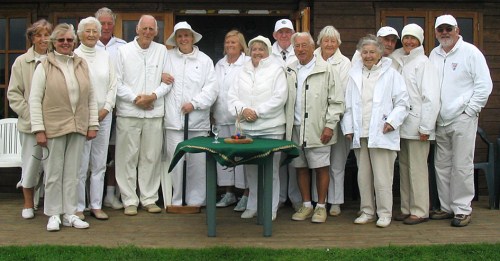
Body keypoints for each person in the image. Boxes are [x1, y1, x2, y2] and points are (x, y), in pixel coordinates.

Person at [30, 23, 99, 231]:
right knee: (53, 173)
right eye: (61, 40)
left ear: (74, 42)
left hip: (78, 125)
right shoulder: (44, 66)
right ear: (54, 43)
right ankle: (53, 214)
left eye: (69, 40)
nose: (66, 43)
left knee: (73, 172)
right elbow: (34, 100)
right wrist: (39, 130)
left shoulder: (82, 64)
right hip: (53, 126)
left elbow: (91, 97)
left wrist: (92, 123)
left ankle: (70, 213)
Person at [429, 14, 492, 227]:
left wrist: (471, 110)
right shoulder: (434, 54)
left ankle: (463, 209)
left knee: (462, 165)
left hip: (462, 118)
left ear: (457, 30)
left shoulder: (471, 52)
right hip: (441, 119)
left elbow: (484, 85)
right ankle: (447, 207)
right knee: (442, 165)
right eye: (441, 29)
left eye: (449, 28)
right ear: (436, 32)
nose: (445, 33)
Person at [342, 34, 409, 228]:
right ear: (360, 53)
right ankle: (367, 211)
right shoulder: (354, 74)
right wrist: (348, 127)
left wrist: (392, 122)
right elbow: (348, 105)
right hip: (360, 133)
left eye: (372, 52)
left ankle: (384, 213)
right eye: (365, 52)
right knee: (363, 177)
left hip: (382, 132)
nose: (368, 55)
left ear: (380, 53)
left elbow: (403, 103)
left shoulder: (392, 74)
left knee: (382, 178)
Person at [285, 32, 344, 223]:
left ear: (313, 47)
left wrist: (329, 126)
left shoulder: (326, 69)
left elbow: (336, 101)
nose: (300, 50)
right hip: (295, 127)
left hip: (318, 128)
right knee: (300, 167)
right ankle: (306, 205)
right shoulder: (289, 69)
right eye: (297, 46)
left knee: (321, 167)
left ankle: (321, 206)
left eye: (304, 45)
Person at [227, 35, 287, 221]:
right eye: (254, 49)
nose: (257, 52)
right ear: (249, 51)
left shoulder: (277, 70)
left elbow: (280, 97)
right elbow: (232, 96)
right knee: (251, 170)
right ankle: (252, 206)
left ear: (268, 52)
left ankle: (270, 208)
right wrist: (243, 110)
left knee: (272, 171)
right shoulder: (242, 71)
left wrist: (257, 112)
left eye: (261, 49)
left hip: (271, 127)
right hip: (248, 129)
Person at [115, 15, 169, 216]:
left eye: (151, 29)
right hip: (129, 112)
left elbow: (168, 80)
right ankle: (129, 200)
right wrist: (137, 99)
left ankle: (149, 199)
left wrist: (153, 96)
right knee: (127, 158)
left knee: (151, 157)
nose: (147, 32)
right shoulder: (123, 51)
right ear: (137, 29)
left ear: (156, 31)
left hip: (154, 113)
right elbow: (117, 83)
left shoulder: (162, 51)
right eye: (144, 28)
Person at [164, 21, 218, 207]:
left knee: (197, 164)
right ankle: (178, 200)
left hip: (197, 122)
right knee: (176, 164)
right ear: (176, 39)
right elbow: (156, 77)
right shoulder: (167, 57)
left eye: (186, 35)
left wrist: (194, 104)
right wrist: (160, 76)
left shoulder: (205, 60)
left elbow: (212, 89)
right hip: (173, 121)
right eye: (180, 36)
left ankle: (196, 201)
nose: (183, 39)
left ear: (192, 37)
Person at [391, 23, 440, 225]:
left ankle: (420, 210)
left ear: (420, 40)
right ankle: (406, 207)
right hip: (403, 126)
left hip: (419, 126)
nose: (409, 41)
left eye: (413, 38)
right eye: (406, 38)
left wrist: (426, 127)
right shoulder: (404, 60)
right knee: (404, 168)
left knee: (418, 169)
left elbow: (431, 98)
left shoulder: (423, 63)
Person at [7, 19, 52, 219]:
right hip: (30, 126)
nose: (43, 39)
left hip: (54, 124)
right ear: (32, 38)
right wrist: (33, 116)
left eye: (46, 34)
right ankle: (28, 204)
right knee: (31, 166)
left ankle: (50, 206)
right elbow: (14, 95)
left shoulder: (56, 59)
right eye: (39, 35)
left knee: (51, 167)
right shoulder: (21, 62)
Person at [75, 16, 117, 221]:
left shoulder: (106, 55)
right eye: (87, 31)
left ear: (100, 34)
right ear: (80, 34)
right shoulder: (74, 55)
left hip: (103, 115)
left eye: (95, 31)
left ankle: (96, 205)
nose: (91, 34)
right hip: (81, 117)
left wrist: (107, 108)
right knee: (81, 163)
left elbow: (113, 84)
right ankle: (78, 207)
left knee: (99, 162)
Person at [311, 25, 351, 216]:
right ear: (320, 42)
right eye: (325, 40)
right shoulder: (312, 59)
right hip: (314, 121)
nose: (329, 44)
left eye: (333, 41)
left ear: (338, 43)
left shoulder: (344, 62)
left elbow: (340, 90)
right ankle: (318, 201)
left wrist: (331, 119)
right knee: (317, 163)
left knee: (336, 163)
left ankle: (335, 201)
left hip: (337, 119)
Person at [213, 30, 250, 211]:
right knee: (225, 157)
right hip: (221, 117)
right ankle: (229, 193)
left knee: (242, 159)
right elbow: (214, 90)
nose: (229, 45)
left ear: (241, 45)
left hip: (240, 120)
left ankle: (245, 195)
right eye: (227, 42)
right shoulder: (219, 64)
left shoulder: (248, 63)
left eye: (233, 42)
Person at [95, 7, 127, 210]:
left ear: (114, 24)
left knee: (115, 153)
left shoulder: (123, 46)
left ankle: (109, 194)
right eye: (102, 24)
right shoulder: (86, 45)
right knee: (93, 154)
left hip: (119, 108)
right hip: (97, 110)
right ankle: (92, 197)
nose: (106, 27)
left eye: (109, 23)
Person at [271, 18, 301, 211]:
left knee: (293, 156)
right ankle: (280, 197)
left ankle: (296, 197)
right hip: (274, 112)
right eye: (281, 32)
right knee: (278, 158)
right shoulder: (268, 52)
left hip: (295, 111)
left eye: (288, 32)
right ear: (274, 35)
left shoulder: (299, 52)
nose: (284, 35)